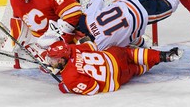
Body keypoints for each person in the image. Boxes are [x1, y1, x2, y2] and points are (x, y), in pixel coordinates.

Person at [45, 40, 181, 95]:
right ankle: (163, 56)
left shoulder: (69, 78)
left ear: (62, 59)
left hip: (117, 77)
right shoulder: (72, 49)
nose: (51, 61)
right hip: (113, 55)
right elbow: (92, 46)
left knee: (135, 70)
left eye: (54, 59)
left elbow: (93, 88)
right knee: (132, 54)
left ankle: (153, 62)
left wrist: (67, 87)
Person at [9, 0, 83, 62]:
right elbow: (18, 21)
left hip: (57, 33)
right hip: (37, 39)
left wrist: (61, 37)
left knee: (76, 58)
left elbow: (74, 11)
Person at [77, 0, 179, 50]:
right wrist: (88, 9)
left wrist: (145, 48)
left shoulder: (101, 46)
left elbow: (129, 42)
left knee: (171, 6)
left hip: (142, 14)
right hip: (129, 0)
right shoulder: (87, 19)